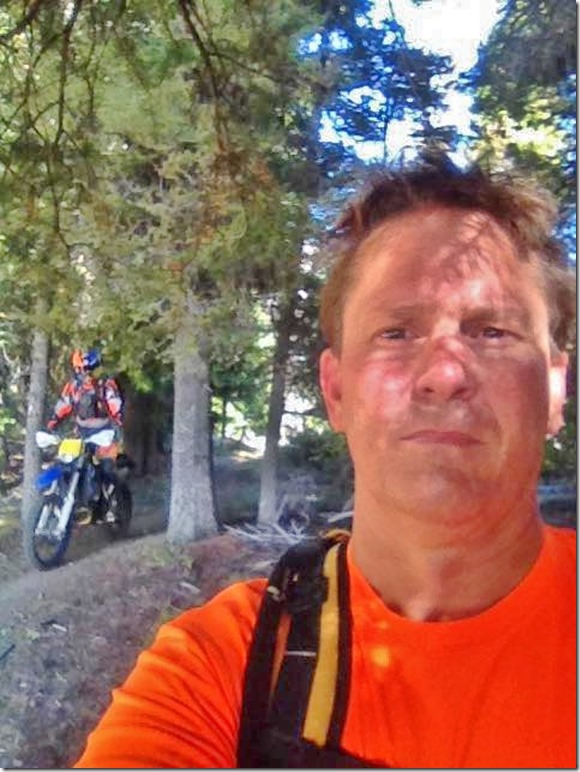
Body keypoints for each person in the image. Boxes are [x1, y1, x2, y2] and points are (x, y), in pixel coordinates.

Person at [74, 157, 576, 769]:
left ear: (555, 389)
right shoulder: (221, 668)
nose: (445, 374)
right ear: (335, 391)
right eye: (396, 333)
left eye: (492, 331)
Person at [47, 348, 124, 508]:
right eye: (80, 369)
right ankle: (73, 498)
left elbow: (114, 404)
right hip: (81, 433)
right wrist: (53, 422)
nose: (84, 373)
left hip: (104, 433)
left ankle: (109, 501)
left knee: (106, 468)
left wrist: (117, 421)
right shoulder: (73, 386)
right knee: (68, 463)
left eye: (87, 369)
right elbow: (64, 404)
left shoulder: (106, 385)